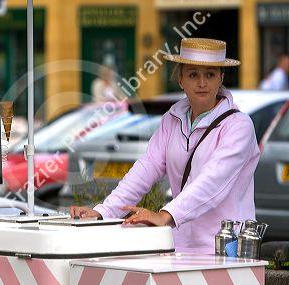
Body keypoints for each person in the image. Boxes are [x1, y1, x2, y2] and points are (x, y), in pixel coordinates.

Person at [70, 38, 260, 254]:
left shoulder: (238, 125)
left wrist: (165, 215)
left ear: (221, 78)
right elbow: (146, 168)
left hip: (225, 248)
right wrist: (103, 212)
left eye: (210, 74)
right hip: (179, 245)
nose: (202, 82)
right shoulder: (172, 119)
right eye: (193, 74)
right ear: (180, 79)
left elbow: (213, 180)